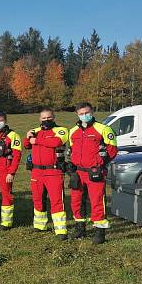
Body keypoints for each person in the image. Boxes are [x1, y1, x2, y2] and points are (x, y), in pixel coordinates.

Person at [68, 102, 117, 244]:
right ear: (77, 114)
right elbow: (72, 150)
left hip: (95, 172)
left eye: (87, 112)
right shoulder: (73, 131)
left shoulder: (103, 129)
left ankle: (99, 231)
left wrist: (100, 163)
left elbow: (112, 149)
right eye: (81, 113)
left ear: (92, 111)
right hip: (78, 172)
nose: (85, 115)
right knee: (76, 201)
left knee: (97, 201)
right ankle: (80, 228)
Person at [24, 108, 69, 240]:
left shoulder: (61, 130)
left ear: (53, 117)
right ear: (40, 119)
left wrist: (36, 140)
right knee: (38, 199)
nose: (46, 120)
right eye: (43, 118)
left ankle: (60, 230)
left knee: (56, 200)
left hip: (53, 171)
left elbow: (56, 142)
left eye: (49, 118)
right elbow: (26, 145)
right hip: (37, 172)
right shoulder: (35, 131)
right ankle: (39, 225)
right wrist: (28, 136)